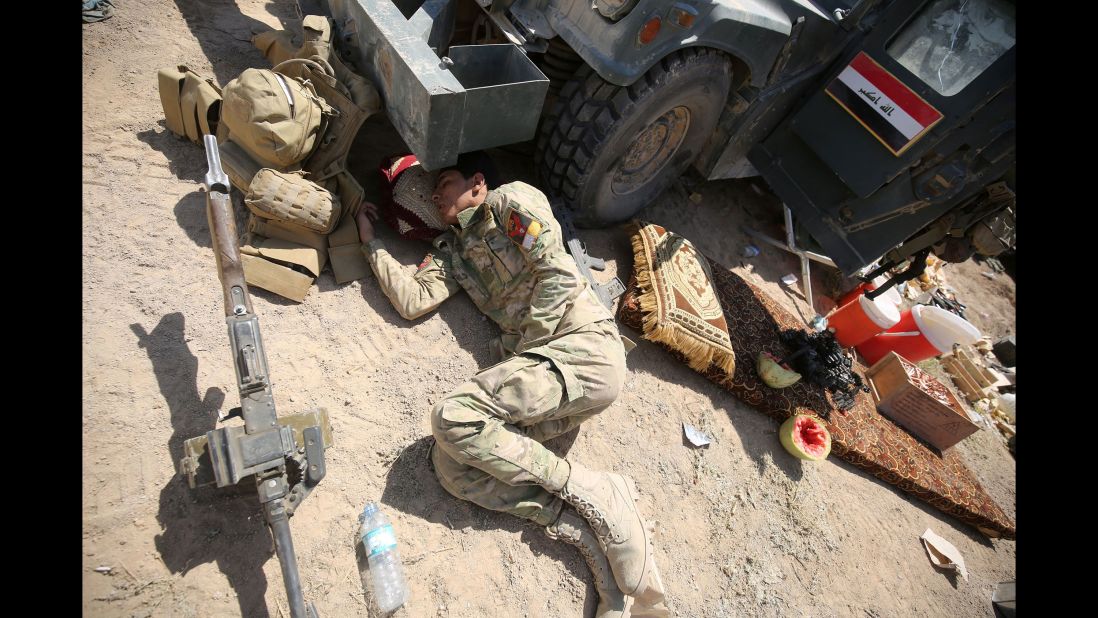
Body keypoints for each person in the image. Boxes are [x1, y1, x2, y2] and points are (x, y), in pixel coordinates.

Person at [355, 152, 667, 616]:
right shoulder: (454, 253)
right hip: (549, 380)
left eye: (443, 182)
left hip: (585, 351)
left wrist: (522, 358)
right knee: (452, 464)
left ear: (477, 183)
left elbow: (555, 275)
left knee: (453, 416)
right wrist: (369, 243)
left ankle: (595, 491)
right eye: (430, 193)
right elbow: (413, 299)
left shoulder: (507, 204)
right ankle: (583, 534)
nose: (435, 194)